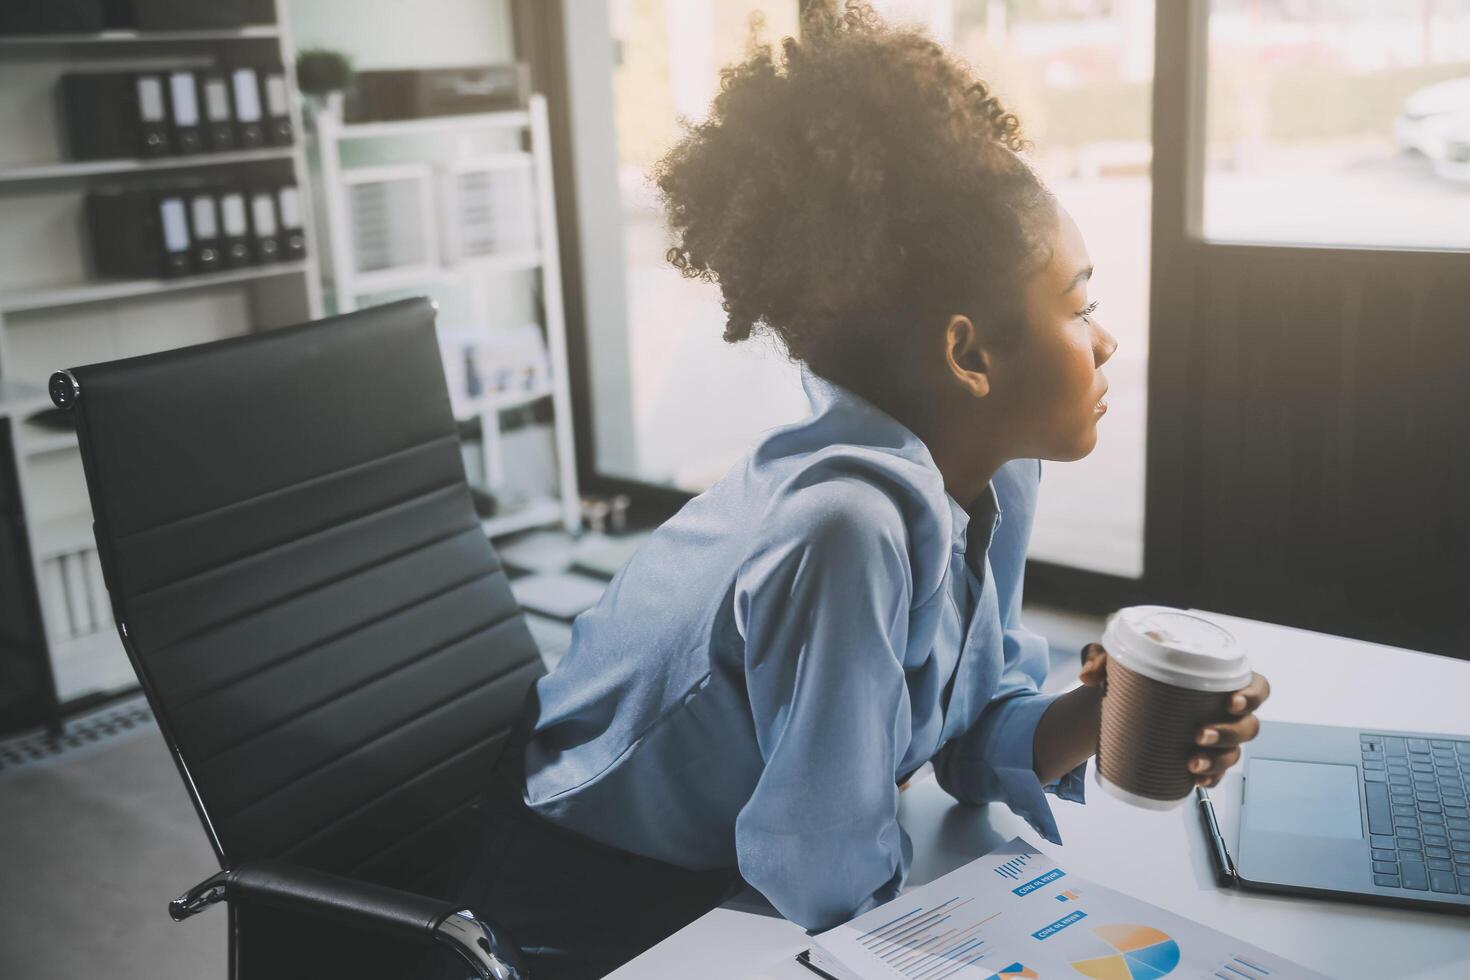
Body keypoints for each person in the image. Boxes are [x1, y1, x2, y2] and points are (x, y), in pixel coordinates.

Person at [453, 3, 1271, 977]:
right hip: (588, 889)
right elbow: (819, 861)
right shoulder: (845, 526)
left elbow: (968, 737)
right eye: (1080, 304)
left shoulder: (996, 467)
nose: (1107, 342)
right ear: (969, 353)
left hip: (734, 862)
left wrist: (1104, 720)